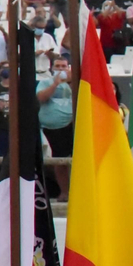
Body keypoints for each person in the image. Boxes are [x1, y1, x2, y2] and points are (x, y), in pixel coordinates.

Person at [36, 56, 75, 197]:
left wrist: (70, 81)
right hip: (54, 128)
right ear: (52, 68)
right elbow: (41, 98)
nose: (60, 69)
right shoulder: (45, 82)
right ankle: (64, 192)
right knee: (60, 161)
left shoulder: (74, 82)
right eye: (57, 66)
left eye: (63, 66)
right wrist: (55, 84)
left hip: (73, 125)